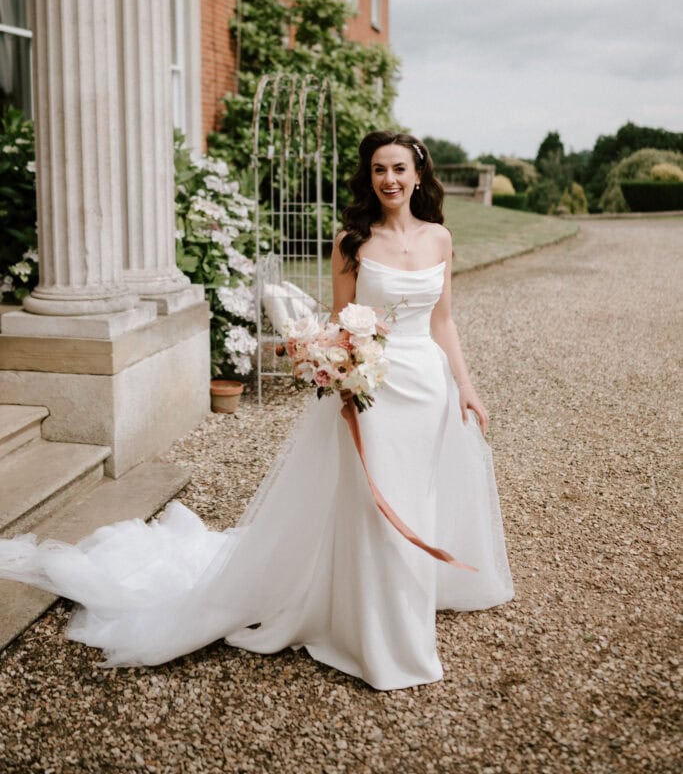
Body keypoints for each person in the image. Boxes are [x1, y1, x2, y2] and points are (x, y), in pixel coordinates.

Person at [0, 131, 514, 691]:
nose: (388, 179)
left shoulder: (441, 239)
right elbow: (341, 324)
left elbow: (443, 322)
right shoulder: (352, 242)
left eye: (397, 168)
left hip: (428, 389)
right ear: (369, 178)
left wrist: (465, 386)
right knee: (373, 503)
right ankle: (384, 637)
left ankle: (400, 602)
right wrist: (338, 372)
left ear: (419, 173)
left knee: (418, 498)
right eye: (377, 170)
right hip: (373, 390)